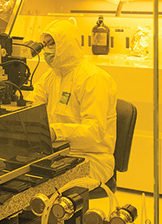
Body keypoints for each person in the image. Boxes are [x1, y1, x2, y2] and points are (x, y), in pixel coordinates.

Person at [31, 18, 117, 186]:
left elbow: (94, 131)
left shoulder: (93, 78)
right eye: (45, 45)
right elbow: (33, 109)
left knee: (44, 189)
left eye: (52, 44)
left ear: (66, 44)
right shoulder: (49, 77)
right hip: (55, 154)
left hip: (91, 159)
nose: (47, 50)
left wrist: (56, 132)